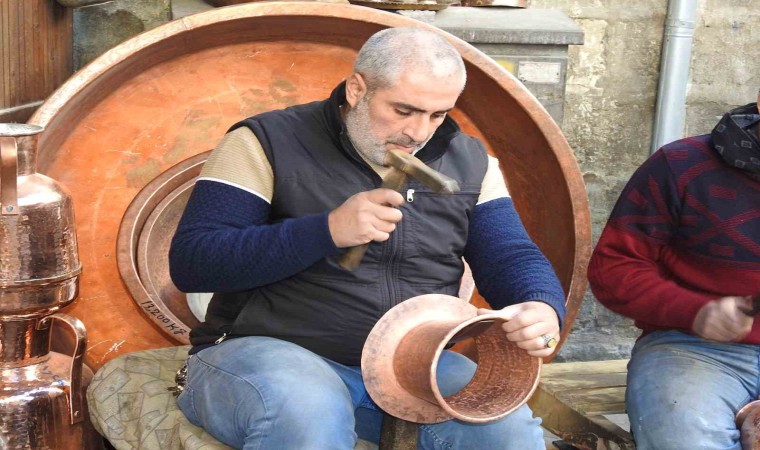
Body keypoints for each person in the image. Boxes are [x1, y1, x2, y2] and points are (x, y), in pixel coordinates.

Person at [169, 27, 565, 450]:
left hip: (412, 361)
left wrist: (541, 304)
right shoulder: (265, 142)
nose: (419, 133)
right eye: (404, 110)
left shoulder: (470, 162)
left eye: (438, 115)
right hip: (269, 353)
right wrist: (325, 231)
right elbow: (194, 261)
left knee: (506, 430)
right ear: (357, 89)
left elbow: (510, 255)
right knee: (308, 410)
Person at [588, 99, 760, 449]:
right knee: (684, 436)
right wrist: (695, 311)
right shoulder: (680, 164)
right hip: (694, 349)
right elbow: (613, 269)